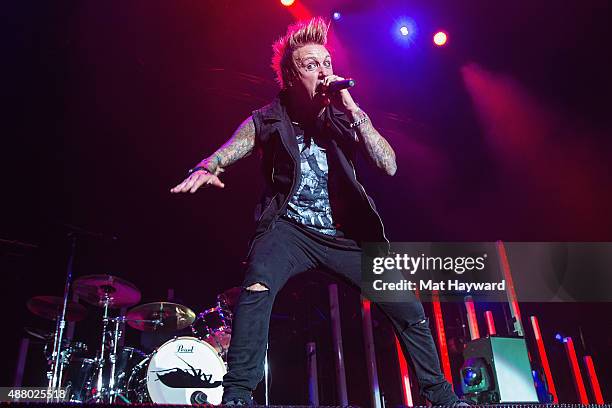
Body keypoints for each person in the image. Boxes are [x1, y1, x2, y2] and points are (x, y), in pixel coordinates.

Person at [171, 17, 462, 406]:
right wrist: (211, 164)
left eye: (327, 62)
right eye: (311, 65)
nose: (323, 71)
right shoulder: (269, 117)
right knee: (257, 285)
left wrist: (353, 107)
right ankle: (238, 395)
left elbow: (388, 165)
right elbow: (236, 144)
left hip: (344, 234)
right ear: (291, 77)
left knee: (406, 305)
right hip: (288, 229)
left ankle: (440, 396)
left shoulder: (345, 116)